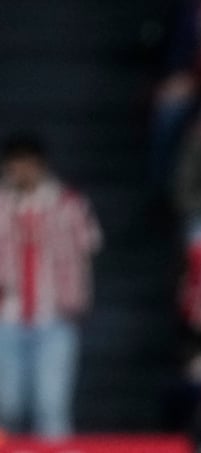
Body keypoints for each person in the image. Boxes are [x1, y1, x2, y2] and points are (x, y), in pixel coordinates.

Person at [0, 133, 102, 438]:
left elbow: (89, 246)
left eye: (27, 164)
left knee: (52, 407)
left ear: (40, 165)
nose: (21, 172)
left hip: (55, 316)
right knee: (8, 405)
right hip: (7, 316)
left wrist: (77, 297)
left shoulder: (68, 204)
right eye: (15, 166)